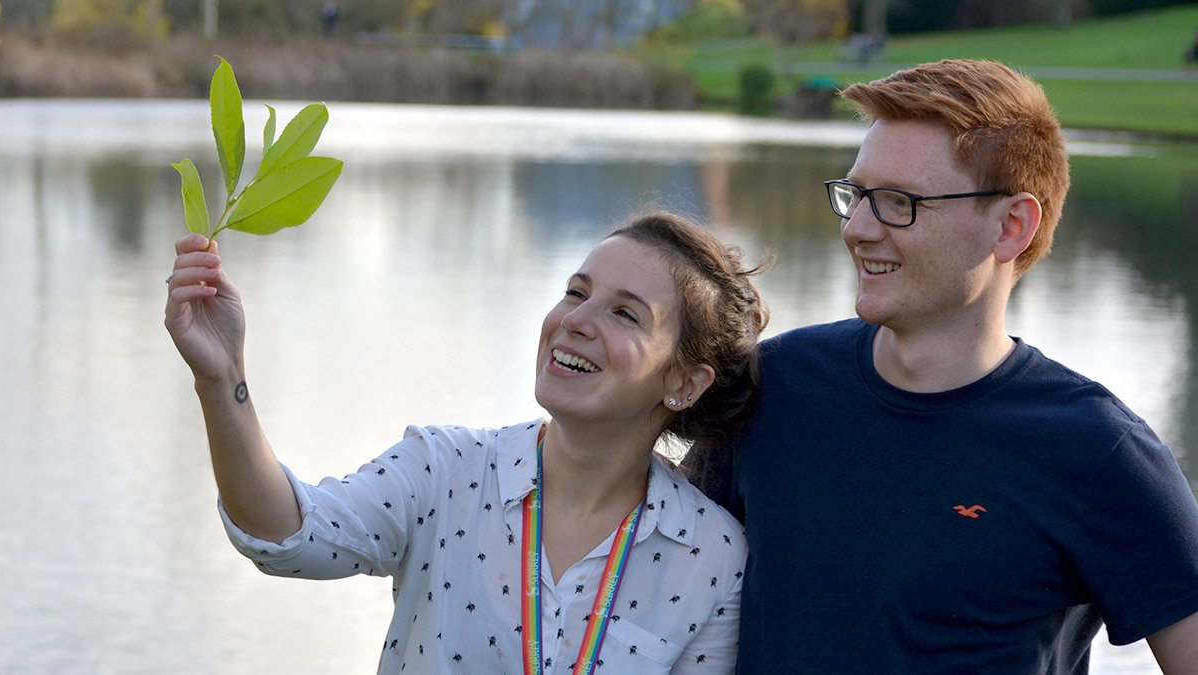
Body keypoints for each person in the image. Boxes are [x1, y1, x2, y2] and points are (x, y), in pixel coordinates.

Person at [689, 59, 1198, 672]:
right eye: (856, 196)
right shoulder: (774, 386)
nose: (858, 228)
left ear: (1011, 226)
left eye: (899, 202)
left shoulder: (1098, 450)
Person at [164, 211, 769, 674]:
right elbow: (286, 535)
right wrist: (222, 380)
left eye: (625, 314)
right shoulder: (445, 470)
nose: (576, 321)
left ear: (684, 383)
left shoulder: (712, 557)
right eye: (577, 292)